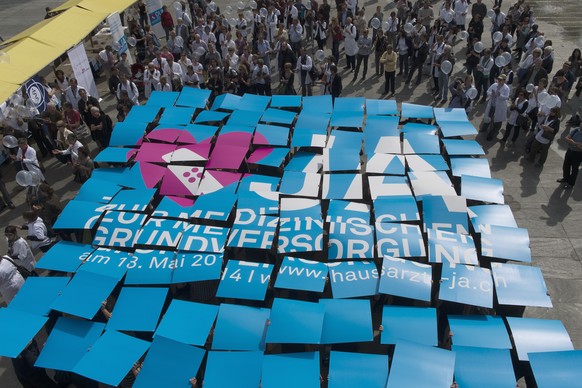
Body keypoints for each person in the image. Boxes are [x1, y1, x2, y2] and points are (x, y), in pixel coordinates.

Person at [483, 74, 510, 141]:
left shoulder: (506, 88)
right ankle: (484, 128)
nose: (499, 80)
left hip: (499, 107)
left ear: (504, 80)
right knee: (488, 117)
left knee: (497, 121)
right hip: (492, 105)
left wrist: (499, 95)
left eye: (500, 80)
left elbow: (506, 97)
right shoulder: (494, 85)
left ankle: (492, 134)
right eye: (498, 79)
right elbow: (488, 91)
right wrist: (491, 94)